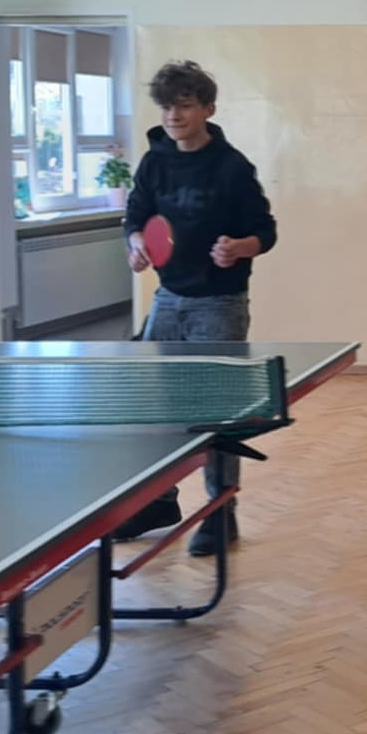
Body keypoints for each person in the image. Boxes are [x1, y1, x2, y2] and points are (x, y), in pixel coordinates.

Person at [122, 60, 278, 553]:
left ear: (207, 109)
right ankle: (158, 501)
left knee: (218, 412)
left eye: (185, 106)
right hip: (168, 300)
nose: (174, 115)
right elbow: (135, 217)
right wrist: (135, 245)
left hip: (219, 304)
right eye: (167, 106)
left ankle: (221, 510)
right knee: (155, 408)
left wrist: (239, 247)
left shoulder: (232, 167)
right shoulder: (154, 163)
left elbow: (265, 231)